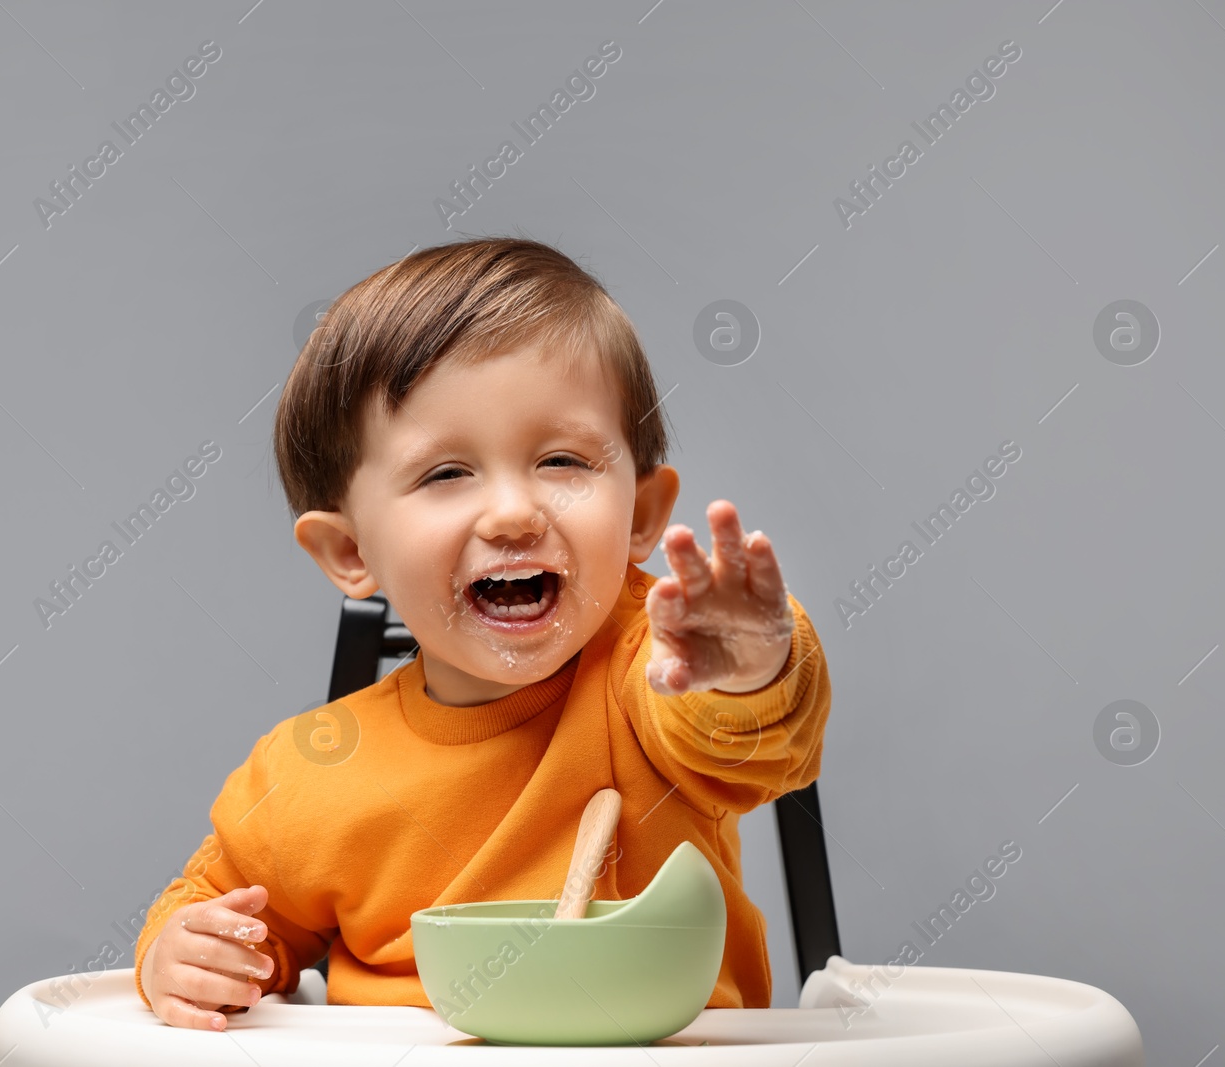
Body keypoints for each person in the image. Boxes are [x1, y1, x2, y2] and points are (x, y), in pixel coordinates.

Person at [135, 236, 833, 1030]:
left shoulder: (650, 678)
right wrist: (184, 954)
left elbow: (748, 738)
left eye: (562, 460)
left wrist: (744, 666)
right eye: (446, 473)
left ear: (639, 514)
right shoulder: (311, 775)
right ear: (352, 550)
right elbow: (221, 913)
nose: (511, 512)